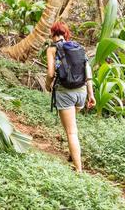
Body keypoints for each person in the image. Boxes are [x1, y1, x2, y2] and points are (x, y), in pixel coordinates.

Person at [46, 22, 96, 172]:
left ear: (53, 34)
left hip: (65, 92)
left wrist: (48, 85)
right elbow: (88, 72)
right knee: (71, 125)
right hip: (81, 91)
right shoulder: (78, 47)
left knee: (71, 132)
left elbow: (50, 73)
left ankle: (79, 170)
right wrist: (91, 95)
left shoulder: (52, 49)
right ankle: (72, 154)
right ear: (66, 34)